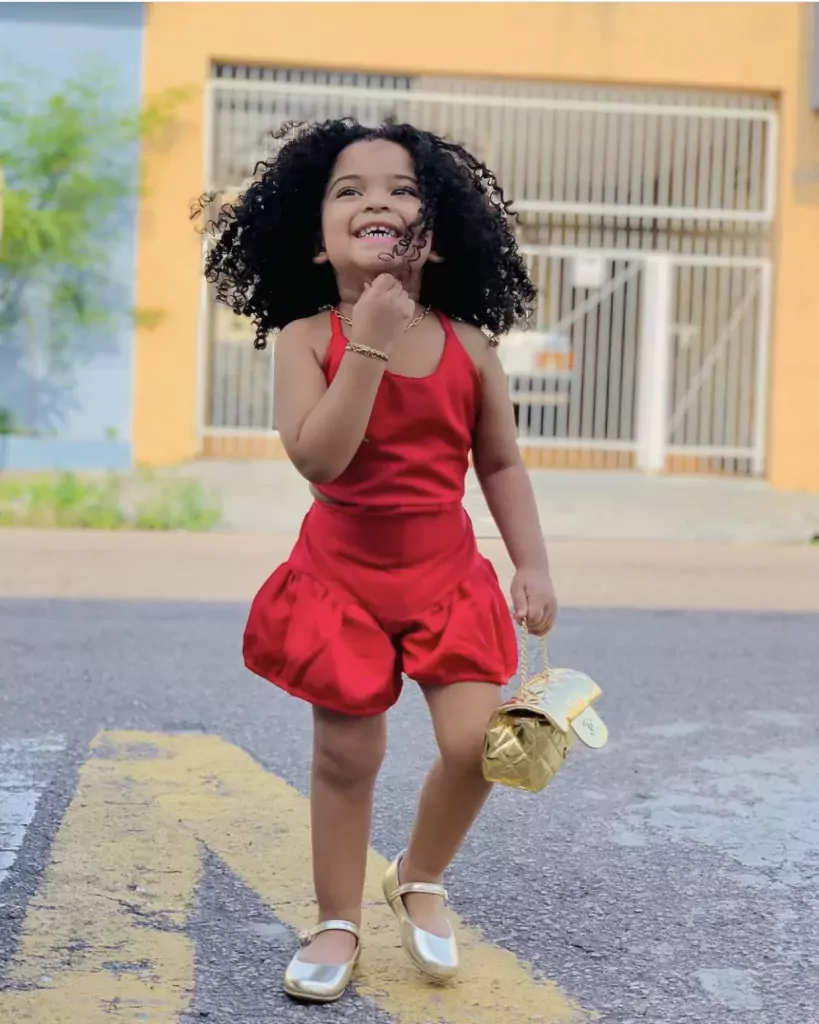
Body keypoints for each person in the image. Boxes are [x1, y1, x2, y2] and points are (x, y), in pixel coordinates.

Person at [199, 118, 558, 1003]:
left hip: (445, 575)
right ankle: (337, 920)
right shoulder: (304, 338)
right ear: (317, 242)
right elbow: (320, 459)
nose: (376, 201)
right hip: (341, 580)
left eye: (401, 189)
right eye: (348, 190)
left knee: (479, 745)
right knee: (345, 758)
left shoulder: (469, 346)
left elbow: (499, 464)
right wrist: (368, 340)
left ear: (435, 238)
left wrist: (532, 564)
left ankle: (419, 875)